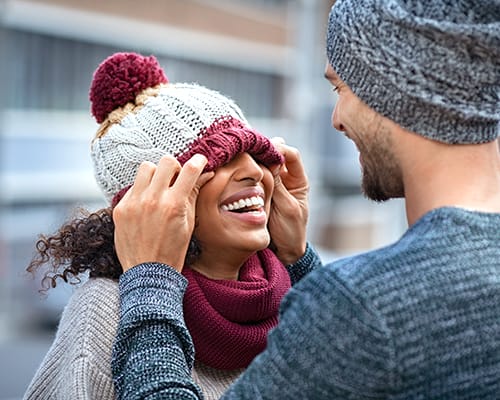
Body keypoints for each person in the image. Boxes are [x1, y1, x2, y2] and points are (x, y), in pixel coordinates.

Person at [110, 0, 500, 399]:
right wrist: (298, 259)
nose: (337, 118)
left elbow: (360, 328)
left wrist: (150, 279)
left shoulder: (364, 305)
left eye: (340, 88)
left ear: (394, 88)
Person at [23, 52, 313, 400]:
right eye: (221, 158)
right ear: (153, 204)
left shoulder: (294, 295)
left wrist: (298, 259)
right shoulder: (107, 310)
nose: (254, 171)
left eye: (256, 153)